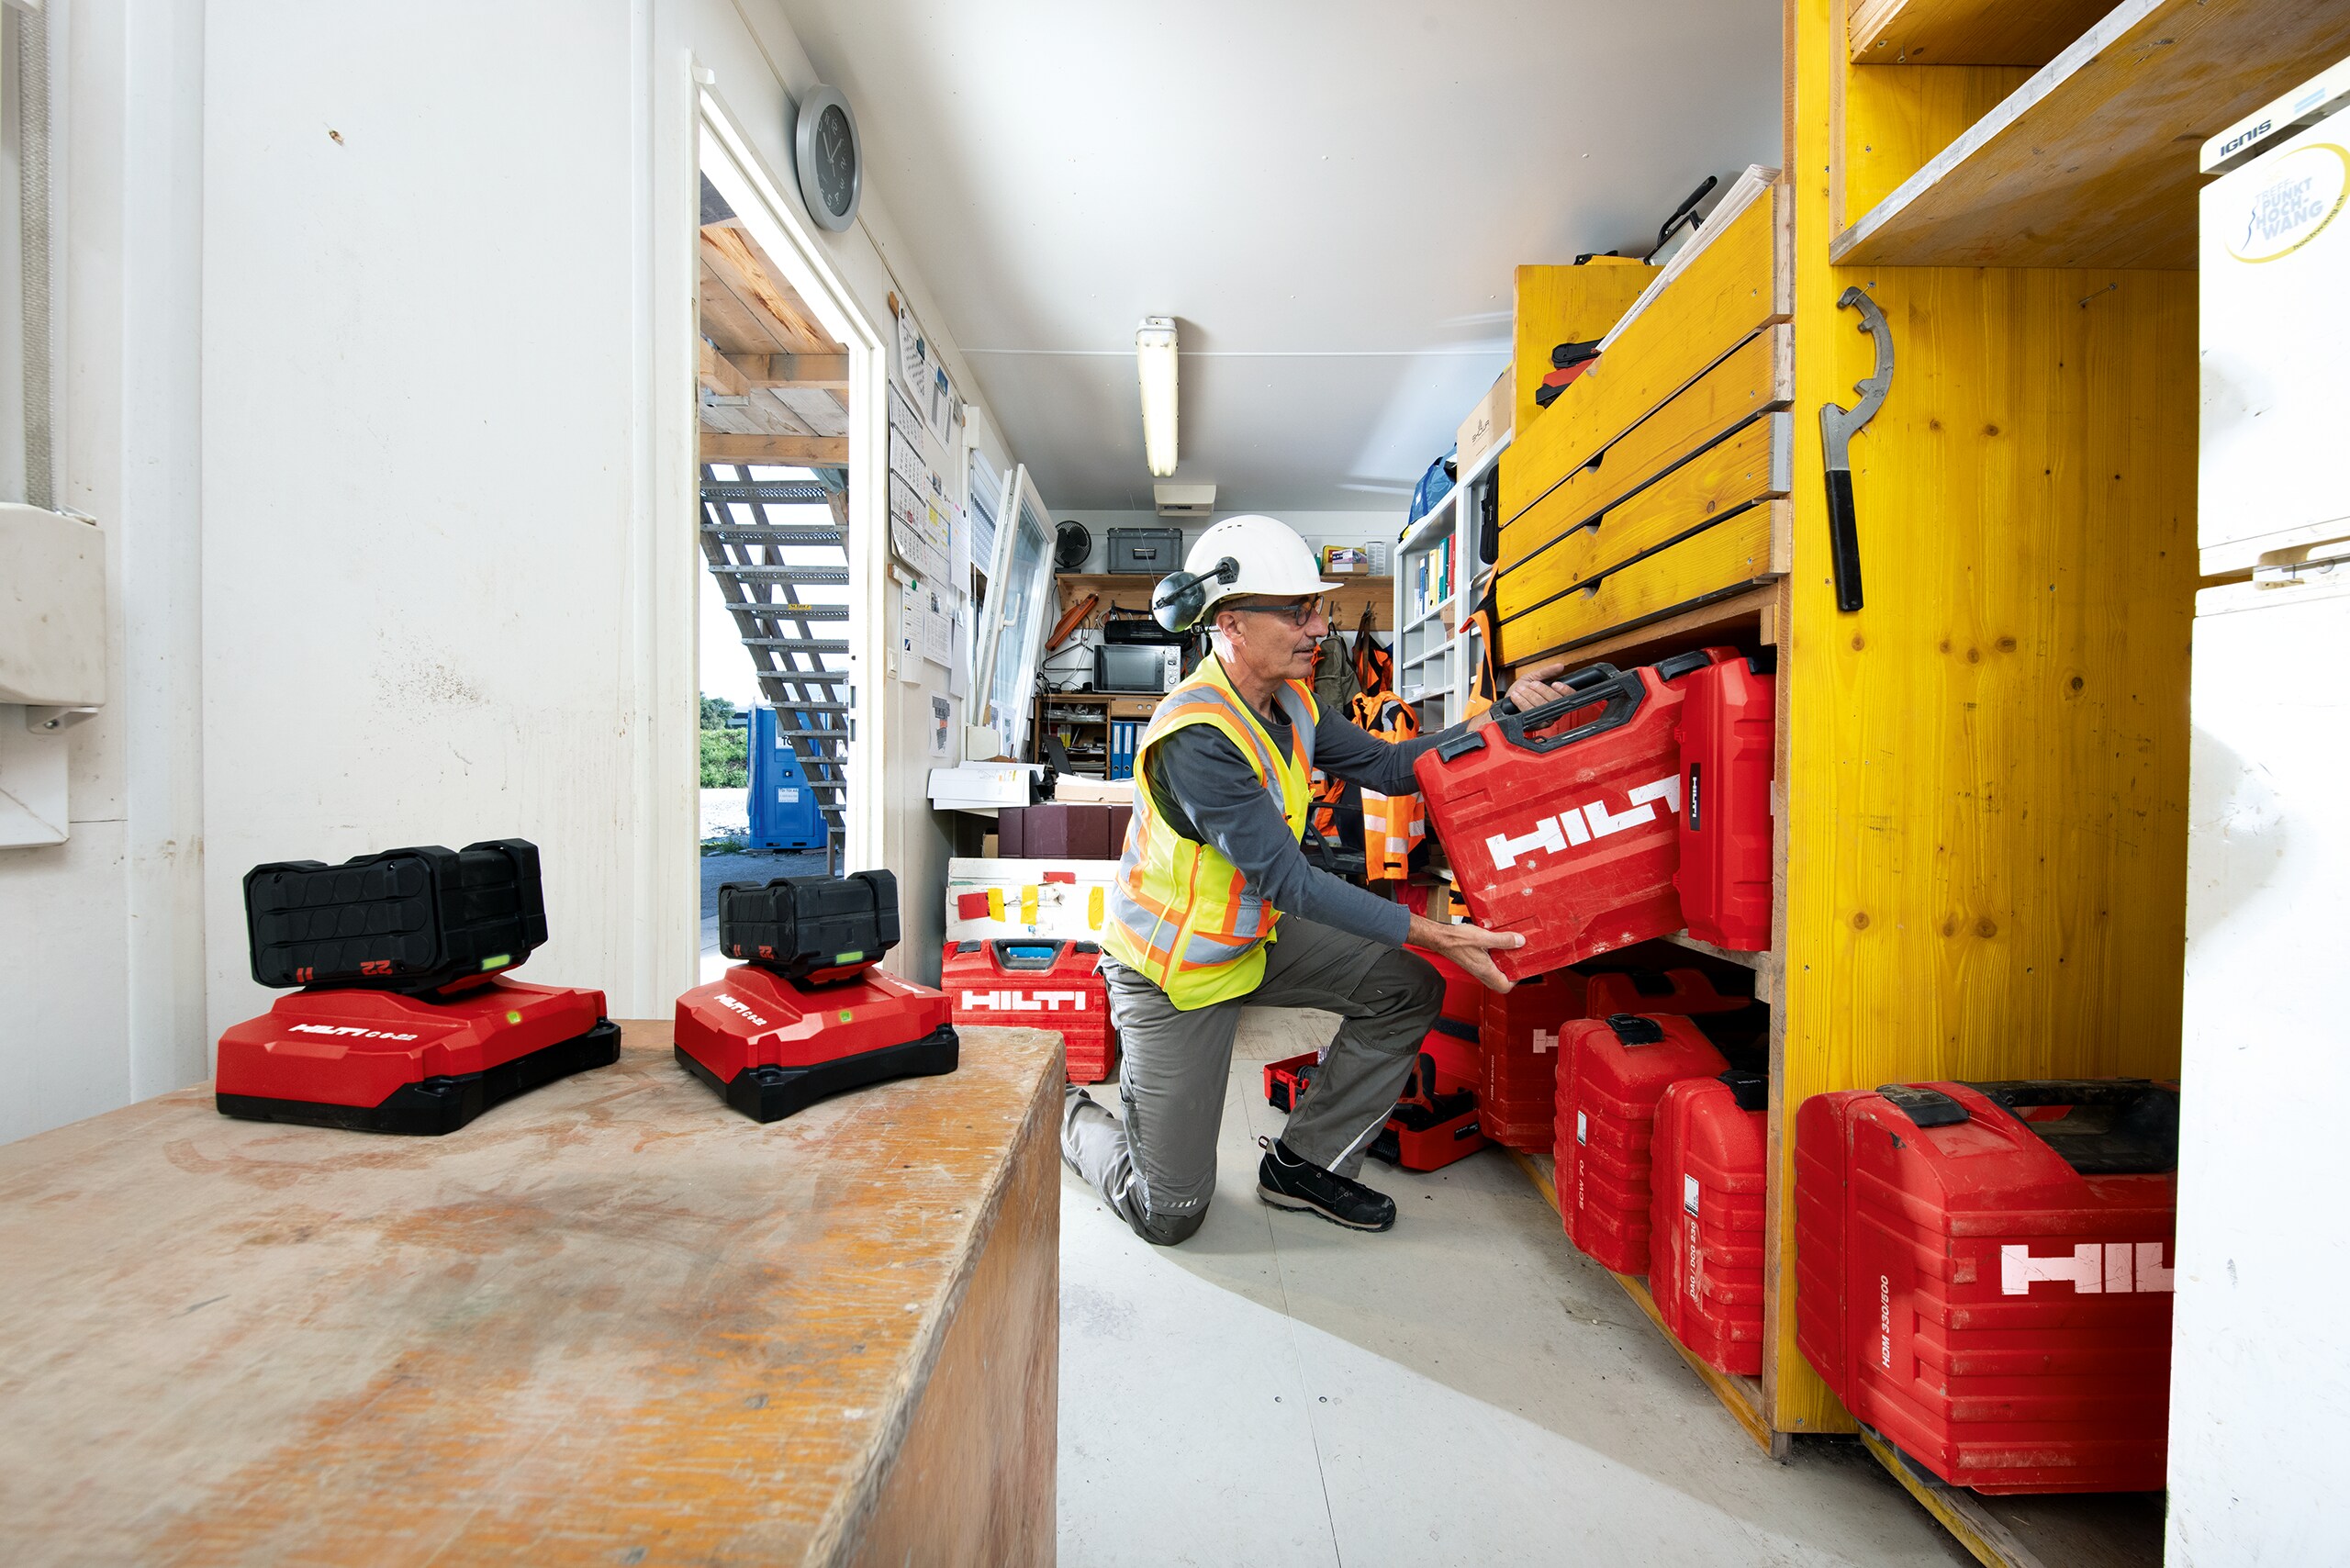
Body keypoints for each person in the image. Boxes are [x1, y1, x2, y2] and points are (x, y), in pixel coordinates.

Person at [1062, 514, 1578, 1244]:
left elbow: (1396, 767)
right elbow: (1289, 882)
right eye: (1299, 612)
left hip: (1248, 941)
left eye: (1318, 609)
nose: (1318, 628)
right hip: (1171, 976)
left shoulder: (1297, 703)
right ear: (1233, 624)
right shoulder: (1199, 739)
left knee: (1407, 988)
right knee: (1168, 1214)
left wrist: (1500, 719)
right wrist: (1437, 932)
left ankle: (1303, 1166)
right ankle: (1065, 1111)